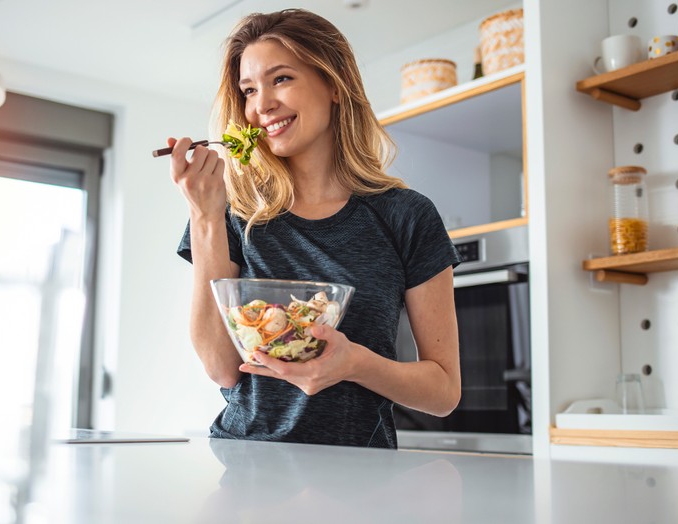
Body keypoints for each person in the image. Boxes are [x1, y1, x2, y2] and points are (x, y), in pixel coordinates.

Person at [166, 8, 461, 449]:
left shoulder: (408, 216)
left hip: (361, 479)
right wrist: (205, 216)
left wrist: (354, 363)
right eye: (249, 90)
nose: (261, 105)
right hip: (248, 470)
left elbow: (443, 393)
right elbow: (221, 367)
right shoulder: (231, 212)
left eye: (281, 79)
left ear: (334, 84)